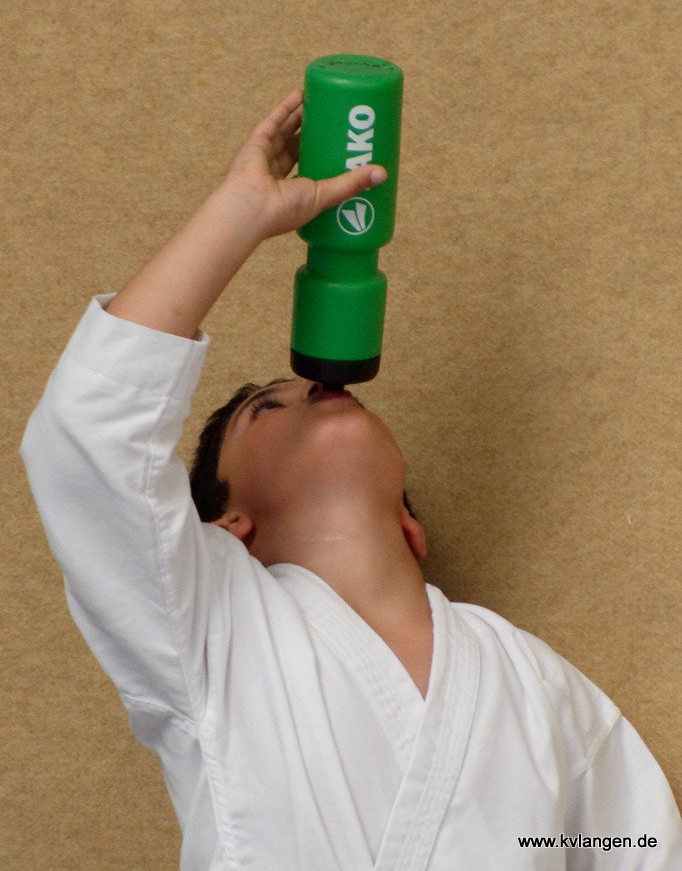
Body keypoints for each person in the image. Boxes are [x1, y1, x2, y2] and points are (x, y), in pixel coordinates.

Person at [20, 87, 682, 870]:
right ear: (228, 528)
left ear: (410, 526)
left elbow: (637, 846)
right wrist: (241, 211)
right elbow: (89, 433)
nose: (313, 388)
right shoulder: (214, 630)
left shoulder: (533, 683)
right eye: (267, 408)